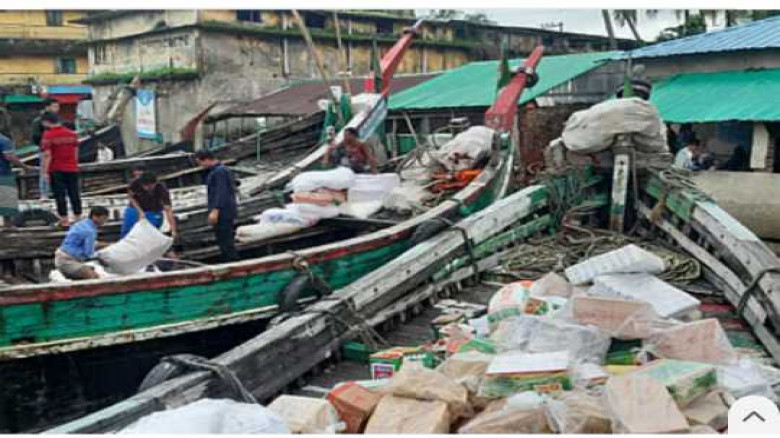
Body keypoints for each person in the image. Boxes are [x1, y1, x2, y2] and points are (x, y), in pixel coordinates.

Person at [194, 149, 239, 262]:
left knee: (226, 240)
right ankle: (228, 261)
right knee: (222, 239)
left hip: (223, 212)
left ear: (207, 159)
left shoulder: (220, 171)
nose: (201, 166)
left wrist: (215, 210)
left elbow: (221, 192)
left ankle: (232, 262)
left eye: (200, 163)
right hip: (221, 211)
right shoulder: (216, 171)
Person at [41, 111, 82, 226]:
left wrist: (45, 172)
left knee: (60, 194)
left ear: (46, 122)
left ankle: (64, 219)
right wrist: (74, 164)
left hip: (56, 168)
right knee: (74, 193)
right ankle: (78, 217)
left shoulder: (48, 135)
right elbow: (76, 152)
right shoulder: (72, 134)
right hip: (72, 168)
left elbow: (47, 155)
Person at [54, 206, 110, 280]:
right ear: (95, 217)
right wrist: (102, 258)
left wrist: (109, 245)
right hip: (67, 261)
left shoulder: (82, 223)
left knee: (91, 269)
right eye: (103, 218)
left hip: (61, 256)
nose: (105, 221)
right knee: (94, 276)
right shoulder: (90, 231)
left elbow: (92, 244)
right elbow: (89, 254)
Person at [120, 171, 177, 239]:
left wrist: (173, 230)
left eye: (150, 186)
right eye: (145, 186)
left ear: (155, 183)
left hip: (153, 210)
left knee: (150, 232)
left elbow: (168, 210)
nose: (147, 188)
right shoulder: (135, 184)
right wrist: (140, 211)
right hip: (135, 209)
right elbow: (131, 197)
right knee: (127, 232)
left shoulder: (162, 189)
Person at [0, 133, 34, 223]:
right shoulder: (4, 140)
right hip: (3, 173)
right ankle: (7, 224)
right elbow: (10, 157)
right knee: (6, 200)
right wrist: (25, 167)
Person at [32, 99, 60, 200]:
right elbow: (35, 137)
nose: (57, 109)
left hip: (57, 149)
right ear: (47, 107)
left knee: (57, 171)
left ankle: (56, 191)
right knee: (44, 171)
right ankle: (44, 193)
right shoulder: (38, 121)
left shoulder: (58, 120)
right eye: (54, 106)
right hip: (44, 149)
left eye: (57, 106)